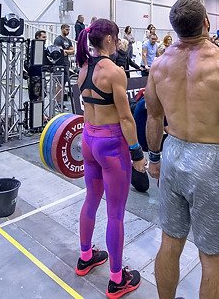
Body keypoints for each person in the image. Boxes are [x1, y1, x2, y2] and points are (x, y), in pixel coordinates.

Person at [144, 0, 219, 299]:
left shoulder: (159, 65)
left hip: (172, 154)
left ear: (175, 27)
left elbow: (154, 117)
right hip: (209, 163)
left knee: (170, 242)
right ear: (207, 23)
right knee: (213, 262)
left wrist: (154, 158)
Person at [74, 19, 145, 298]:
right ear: (108, 40)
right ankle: (117, 279)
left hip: (88, 140)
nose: (118, 43)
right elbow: (126, 118)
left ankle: (85, 257)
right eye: (116, 38)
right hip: (111, 145)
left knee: (91, 200)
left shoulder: (83, 67)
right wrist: (136, 153)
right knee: (115, 213)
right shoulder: (114, 72)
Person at [54, 24, 75, 100]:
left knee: (64, 83)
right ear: (62, 29)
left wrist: (66, 51)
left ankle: (61, 102)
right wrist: (66, 51)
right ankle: (58, 102)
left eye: (68, 30)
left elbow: (73, 51)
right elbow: (60, 51)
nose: (68, 31)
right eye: (66, 29)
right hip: (59, 64)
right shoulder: (58, 40)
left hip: (66, 63)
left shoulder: (68, 41)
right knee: (60, 83)